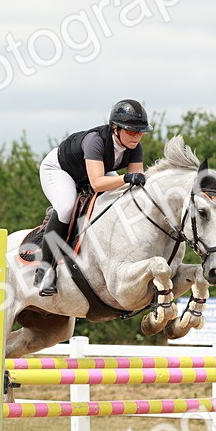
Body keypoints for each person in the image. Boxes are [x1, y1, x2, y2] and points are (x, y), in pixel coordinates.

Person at [34, 99, 153, 296]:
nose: (137, 136)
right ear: (115, 128)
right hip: (59, 170)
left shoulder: (135, 149)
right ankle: (45, 270)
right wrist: (127, 177)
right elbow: (97, 183)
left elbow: (136, 185)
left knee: (119, 199)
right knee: (65, 207)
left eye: (140, 132)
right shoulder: (95, 140)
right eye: (131, 131)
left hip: (91, 173)